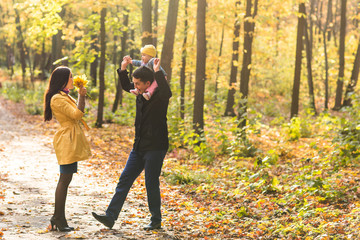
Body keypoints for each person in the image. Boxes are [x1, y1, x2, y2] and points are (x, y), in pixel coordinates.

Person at [92, 57, 172, 230]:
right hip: (139, 146)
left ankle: (156, 220)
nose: (134, 86)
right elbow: (125, 85)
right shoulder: (140, 94)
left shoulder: (159, 96)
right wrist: (123, 69)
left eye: (137, 84)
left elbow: (167, 92)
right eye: (134, 83)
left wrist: (158, 71)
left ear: (148, 83)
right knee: (124, 180)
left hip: (156, 146)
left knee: (151, 183)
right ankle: (110, 216)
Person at [44, 66, 91, 232]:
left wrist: (79, 96)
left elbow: (77, 114)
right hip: (67, 140)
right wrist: (81, 96)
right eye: (71, 77)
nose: (73, 79)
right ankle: (58, 218)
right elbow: (77, 114)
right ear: (63, 79)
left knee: (66, 178)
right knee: (64, 179)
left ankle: (58, 217)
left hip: (71, 138)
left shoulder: (63, 95)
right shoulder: (57, 98)